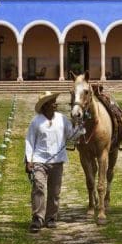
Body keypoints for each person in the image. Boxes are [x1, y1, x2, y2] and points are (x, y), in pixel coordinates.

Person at [25, 91, 82, 233]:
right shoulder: (36, 121)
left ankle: (51, 217)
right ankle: (37, 218)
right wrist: (28, 160)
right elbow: (29, 141)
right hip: (39, 160)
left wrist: (79, 125)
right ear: (45, 106)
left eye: (55, 101)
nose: (55, 104)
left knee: (55, 191)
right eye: (52, 102)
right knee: (38, 187)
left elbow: (72, 136)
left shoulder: (62, 119)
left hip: (57, 161)